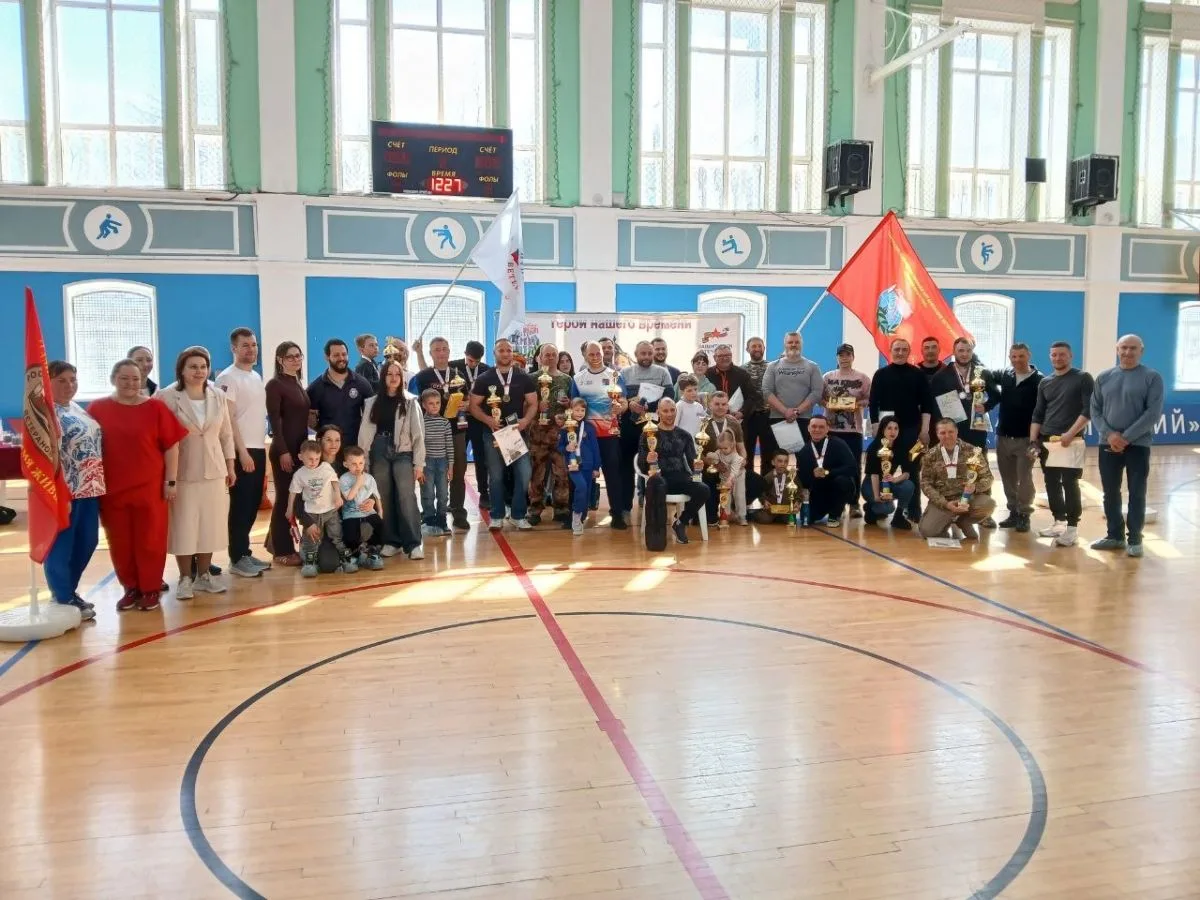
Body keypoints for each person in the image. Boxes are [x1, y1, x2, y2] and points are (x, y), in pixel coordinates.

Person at [89, 360, 188, 612]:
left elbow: (172, 446)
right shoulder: (97, 409)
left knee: (150, 539)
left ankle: (150, 588)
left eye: (135, 379)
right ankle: (130, 588)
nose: (130, 383)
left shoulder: (156, 408)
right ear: (113, 379)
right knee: (120, 541)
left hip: (150, 487)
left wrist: (171, 481)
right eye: (124, 378)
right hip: (112, 488)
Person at [157, 346, 236, 601]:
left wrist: (230, 465)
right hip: (183, 471)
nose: (199, 371)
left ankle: (204, 576)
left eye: (203, 367)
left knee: (209, 526)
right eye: (193, 367)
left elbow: (226, 434)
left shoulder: (217, 395)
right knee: (184, 526)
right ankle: (185, 578)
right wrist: (167, 477)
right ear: (181, 369)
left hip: (214, 470)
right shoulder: (167, 397)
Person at [1089, 334, 1164, 558]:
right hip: (1107, 444)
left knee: (1137, 493)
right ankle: (1115, 536)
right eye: (1123, 348)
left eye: (1133, 348)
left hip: (1138, 445)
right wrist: (1110, 435)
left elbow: (1153, 413)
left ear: (1141, 351)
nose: (1128, 352)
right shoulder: (1104, 377)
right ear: (1117, 350)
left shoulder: (1152, 377)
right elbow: (1095, 410)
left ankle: (1135, 539)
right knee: (1110, 492)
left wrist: (1126, 437)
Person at [44, 361, 106, 621]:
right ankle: (63, 596)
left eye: (73, 379)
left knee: (88, 541)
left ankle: (69, 590)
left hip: (90, 488)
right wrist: (58, 491)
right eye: (61, 380)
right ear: (48, 382)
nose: (69, 385)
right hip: (65, 491)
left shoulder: (77, 408)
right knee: (62, 545)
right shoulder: (46, 413)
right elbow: (46, 457)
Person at [216, 327, 272, 578]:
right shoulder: (228, 378)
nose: (251, 349)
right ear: (234, 348)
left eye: (254, 344)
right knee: (240, 506)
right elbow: (228, 420)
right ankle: (237, 558)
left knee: (251, 504)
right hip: (242, 450)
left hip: (257, 447)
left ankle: (244, 552)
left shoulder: (255, 376)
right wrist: (242, 452)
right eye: (245, 345)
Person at [358, 359, 425, 559]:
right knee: (383, 496)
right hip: (378, 451)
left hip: (403, 452)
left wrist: (419, 464)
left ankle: (413, 543)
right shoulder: (372, 402)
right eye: (389, 374)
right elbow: (365, 434)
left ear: (402, 377)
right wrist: (364, 461)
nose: (394, 377)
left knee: (406, 496)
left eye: (397, 374)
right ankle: (391, 541)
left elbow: (418, 434)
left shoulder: (411, 401)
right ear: (383, 377)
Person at [469, 338, 538, 531]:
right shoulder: (484, 378)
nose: (506, 353)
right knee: (496, 476)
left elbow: (533, 403)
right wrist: (488, 420)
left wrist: (525, 421)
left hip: (514, 433)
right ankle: (497, 515)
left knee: (524, 473)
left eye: (509, 350)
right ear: (494, 353)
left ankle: (517, 515)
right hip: (493, 433)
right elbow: (473, 406)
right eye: (501, 350)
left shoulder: (523, 377)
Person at [1029, 342, 1094, 547]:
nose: (1058, 358)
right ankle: (1059, 522)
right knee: (1051, 482)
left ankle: (1072, 529)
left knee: (1070, 483)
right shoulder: (1045, 382)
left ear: (1070, 356)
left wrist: (1070, 434)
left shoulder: (1083, 378)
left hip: (1071, 442)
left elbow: (1088, 410)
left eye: (1062, 354)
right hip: (1047, 441)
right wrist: (1033, 441)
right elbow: (1038, 413)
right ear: (1050, 357)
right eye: (1054, 355)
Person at [869, 338, 936, 522]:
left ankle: (912, 510)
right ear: (890, 351)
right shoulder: (880, 374)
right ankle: (879, 505)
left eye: (904, 349)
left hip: (911, 431)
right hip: (886, 432)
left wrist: (924, 430)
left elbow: (927, 404)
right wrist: (875, 427)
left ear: (909, 352)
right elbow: (873, 403)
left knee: (912, 469)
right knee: (882, 467)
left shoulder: (918, 374)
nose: (900, 352)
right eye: (897, 349)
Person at [410, 337, 470, 532]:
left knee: (457, 471)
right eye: (437, 349)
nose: (441, 352)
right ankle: (429, 513)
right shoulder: (423, 376)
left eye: (444, 349)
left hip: (456, 429)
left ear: (449, 351)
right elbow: (416, 403)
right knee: (429, 473)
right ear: (431, 353)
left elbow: (468, 399)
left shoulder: (459, 374)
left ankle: (458, 511)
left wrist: (466, 404)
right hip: (430, 433)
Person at [987, 342, 1042, 533]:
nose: (1017, 360)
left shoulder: (1039, 380)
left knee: (1024, 478)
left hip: (1026, 439)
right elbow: (984, 374)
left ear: (1029, 356)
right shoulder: (1005, 375)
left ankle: (1024, 513)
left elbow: (1042, 411)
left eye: (1021, 356)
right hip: (1003, 437)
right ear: (1010, 357)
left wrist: (1037, 441)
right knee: (1007, 478)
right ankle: (1013, 512)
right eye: (1014, 356)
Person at [637, 397, 708, 544]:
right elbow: (641, 464)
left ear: (676, 411)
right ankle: (657, 537)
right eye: (665, 411)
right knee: (657, 484)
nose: (669, 414)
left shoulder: (684, 435)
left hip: (681, 478)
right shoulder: (648, 433)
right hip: (659, 479)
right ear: (658, 412)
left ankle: (680, 522)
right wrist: (648, 460)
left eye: (672, 410)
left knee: (704, 489)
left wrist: (698, 467)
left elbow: (692, 462)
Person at [573, 340, 628, 529]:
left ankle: (617, 515)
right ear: (585, 356)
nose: (595, 357)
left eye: (598, 353)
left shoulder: (615, 375)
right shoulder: (578, 378)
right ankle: (580, 514)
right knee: (584, 475)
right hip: (586, 437)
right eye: (591, 354)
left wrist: (620, 408)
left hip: (609, 435)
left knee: (613, 476)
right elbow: (574, 405)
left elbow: (624, 401)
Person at [265, 341, 311, 566]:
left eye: (298, 356)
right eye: (290, 356)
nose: (295, 360)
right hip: (284, 450)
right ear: (280, 360)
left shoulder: (297, 383)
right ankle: (282, 550)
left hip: (298, 450)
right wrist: (283, 450)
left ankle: (273, 542)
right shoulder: (275, 385)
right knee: (284, 499)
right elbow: (275, 421)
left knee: (293, 498)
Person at [619, 341, 674, 519]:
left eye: (649, 353)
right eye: (643, 354)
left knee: (655, 465)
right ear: (635, 354)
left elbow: (670, 397)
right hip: (629, 426)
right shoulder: (624, 373)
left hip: (654, 427)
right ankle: (625, 506)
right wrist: (630, 404)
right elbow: (619, 397)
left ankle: (655, 504)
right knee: (626, 466)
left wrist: (649, 405)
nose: (647, 357)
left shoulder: (662, 372)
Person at [919, 418, 997, 540]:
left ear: (957, 432)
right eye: (943, 433)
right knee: (927, 531)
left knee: (988, 504)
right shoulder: (930, 456)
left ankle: (964, 521)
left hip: (968, 500)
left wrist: (975, 487)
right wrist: (945, 504)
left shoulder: (972, 451)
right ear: (937, 434)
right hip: (944, 501)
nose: (947, 436)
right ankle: (946, 521)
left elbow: (988, 478)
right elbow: (926, 484)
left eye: (950, 432)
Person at [526, 342, 573, 527]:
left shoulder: (567, 380)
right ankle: (534, 509)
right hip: (537, 432)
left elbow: (574, 406)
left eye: (554, 354)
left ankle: (561, 508)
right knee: (536, 473)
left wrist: (568, 406)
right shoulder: (531, 379)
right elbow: (524, 405)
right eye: (547, 355)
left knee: (561, 472)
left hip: (560, 433)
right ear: (540, 357)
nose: (551, 358)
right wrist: (536, 406)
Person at [822, 343, 871, 518]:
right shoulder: (827, 377)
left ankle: (854, 503)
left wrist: (858, 404)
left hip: (853, 430)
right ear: (837, 358)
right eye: (841, 355)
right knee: (831, 466)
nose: (844, 358)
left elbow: (869, 399)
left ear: (853, 357)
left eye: (847, 355)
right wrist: (828, 404)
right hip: (831, 430)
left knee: (854, 466)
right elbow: (820, 398)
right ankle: (836, 502)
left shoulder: (862, 378)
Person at [290, 439, 352, 577]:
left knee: (336, 536)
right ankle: (310, 562)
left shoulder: (327, 467)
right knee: (312, 538)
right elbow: (294, 499)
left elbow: (335, 481)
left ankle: (345, 558)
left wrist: (337, 495)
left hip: (330, 512)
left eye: (316, 459)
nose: (313, 462)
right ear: (301, 457)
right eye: (328, 440)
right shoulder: (300, 474)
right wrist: (306, 522)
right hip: (312, 514)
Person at [929, 337, 997, 455]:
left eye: (968, 350)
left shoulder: (983, 372)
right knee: (953, 463)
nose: (965, 354)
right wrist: (942, 426)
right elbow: (934, 404)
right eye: (961, 350)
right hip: (952, 430)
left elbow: (996, 395)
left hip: (977, 428)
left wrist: (986, 406)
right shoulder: (941, 376)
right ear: (954, 352)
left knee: (977, 463)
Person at [763, 332, 823, 451]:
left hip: (803, 419)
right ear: (785, 344)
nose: (793, 345)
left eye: (797, 342)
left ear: (802, 344)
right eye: (790, 342)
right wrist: (785, 411)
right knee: (777, 456)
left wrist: (797, 411)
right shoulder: (772, 366)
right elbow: (766, 391)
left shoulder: (813, 366)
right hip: (778, 419)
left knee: (804, 457)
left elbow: (817, 392)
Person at [450, 340, 491, 506]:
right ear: (465, 354)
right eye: (470, 360)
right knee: (457, 459)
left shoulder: (486, 370)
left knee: (481, 457)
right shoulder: (453, 367)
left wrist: (473, 405)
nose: (473, 364)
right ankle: (455, 498)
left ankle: (484, 493)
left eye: (476, 361)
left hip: (478, 419)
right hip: (458, 419)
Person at [308, 338, 374, 441]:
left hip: (355, 445)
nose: (341, 358)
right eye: (336, 355)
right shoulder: (316, 387)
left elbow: (371, 415)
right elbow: (311, 422)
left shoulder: (361, 384)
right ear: (327, 357)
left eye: (344, 354)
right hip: (328, 447)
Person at [795, 416, 857, 525]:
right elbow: (803, 480)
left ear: (827, 429)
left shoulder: (838, 444)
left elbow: (852, 468)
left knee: (843, 481)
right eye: (814, 426)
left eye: (821, 427)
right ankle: (823, 508)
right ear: (808, 428)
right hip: (818, 491)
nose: (817, 430)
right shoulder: (803, 451)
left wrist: (828, 472)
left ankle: (835, 514)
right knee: (807, 518)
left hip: (837, 487)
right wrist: (812, 475)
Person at [861, 415, 915, 530]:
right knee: (887, 509)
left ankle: (898, 517)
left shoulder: (901, 446)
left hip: (888, 482)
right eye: (889, 428)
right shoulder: (874, 447)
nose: (893, 432)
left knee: (909, 485)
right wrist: (876, 496)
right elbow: (874, 474)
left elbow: (907, 473)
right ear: (883, 430)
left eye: (896, 428)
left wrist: (895, 480)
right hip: (871, 484)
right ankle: (870, 507)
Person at [338, 446, 385, 569]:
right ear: (346, 464)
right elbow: (349, 497)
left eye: (360, 463)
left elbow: (377, 496)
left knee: (381, 527)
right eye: (353, 464)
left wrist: (380, 512)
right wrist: (359, 482)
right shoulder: (343, 479)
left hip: (368, 511)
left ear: (364, 462)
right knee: (350, 536)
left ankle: (372, 550)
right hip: (351, 514)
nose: (358, 467)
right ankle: (355, 553)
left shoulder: (369, 478)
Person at [559, 396, 599, 536]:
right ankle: (576, 517)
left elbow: (595, 448)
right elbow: (560, 446)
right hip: (573, 464)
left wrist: (596, 467)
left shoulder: (589, 428)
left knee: (586, 492)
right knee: (581, 487)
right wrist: (566, 448)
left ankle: (581, 517)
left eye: (582, 410)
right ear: (570, 410)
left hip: (588, 465)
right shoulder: (565, 428)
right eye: (577, 410)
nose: (580, 413)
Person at [418, 387, 454, 537]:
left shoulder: (445, 423)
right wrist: (419, 466)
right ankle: (429, 520)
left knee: (443, 494)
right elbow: (418, 446)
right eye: (431, 403)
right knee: (427, 493)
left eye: (437, 403)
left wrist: (450, 466)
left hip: (442, 463)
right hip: (426, 464)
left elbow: (449, 445)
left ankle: (441, 520)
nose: (434, 406)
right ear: (424, 405)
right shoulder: (421, 423)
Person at [741, 336, 776, 476]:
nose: (757, 349)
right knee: (747, 452)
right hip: (749, 417)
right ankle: (749, 484)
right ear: (747, 349)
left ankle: (766, 485)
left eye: (759, 346)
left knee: (769, 453)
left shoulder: (772, 367)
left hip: (768, 416)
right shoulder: (742, 370)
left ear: (764, 348)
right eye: (753, 346)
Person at [708, 345, 758, 424]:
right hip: (712, 419)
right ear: (714, 358)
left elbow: (752, 397)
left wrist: (742, 412)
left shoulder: (742, 374)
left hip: (736, 420)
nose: (725, 358)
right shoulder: (708, 374)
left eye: (727, 355)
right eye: (721, 356)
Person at [714, 430, 747, 525]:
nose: (722, 450)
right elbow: (714, 457)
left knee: (739, 496)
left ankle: (742, 516)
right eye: (720, 448)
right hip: (725, 478)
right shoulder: (719, 452)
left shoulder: (737, 457)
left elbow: (734, 471)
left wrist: (729, 480)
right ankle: (725, 516)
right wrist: (711, 457)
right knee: (725, 497)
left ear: (732, 445)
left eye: (725, 448)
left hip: (738, 477)